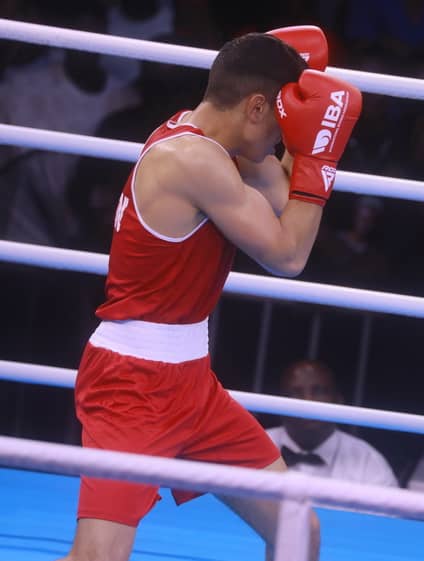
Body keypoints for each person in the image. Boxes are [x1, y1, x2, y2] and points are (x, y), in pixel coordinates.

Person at [60, 27, 362, 561]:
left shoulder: (216, 140)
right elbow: (289, 254)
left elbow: (287, 193)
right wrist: (318, 159)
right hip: (132, 385)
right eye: (280, 123)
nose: (281, 140)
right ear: (255, 107)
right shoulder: (192, 162)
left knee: (297, 530)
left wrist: (311, 147)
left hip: (192, 383)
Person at [267, 360, 398, 487]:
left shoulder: (368, 462)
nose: (308, 401)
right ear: (278, 403)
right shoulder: (252, 446)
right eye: (295, 393)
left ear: (338, 400)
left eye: (319, 391)